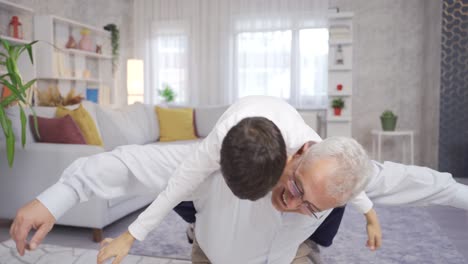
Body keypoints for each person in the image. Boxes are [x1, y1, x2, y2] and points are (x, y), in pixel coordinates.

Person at [11, 136, 468, 263]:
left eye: (310, 204)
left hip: (290, 254)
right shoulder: (220, 162)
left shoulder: (344, 184)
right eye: (294, 188)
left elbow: (427, 184)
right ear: (299, 152)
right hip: (214, 248)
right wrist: (56, 197)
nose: (291, 203)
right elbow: (126, 163)